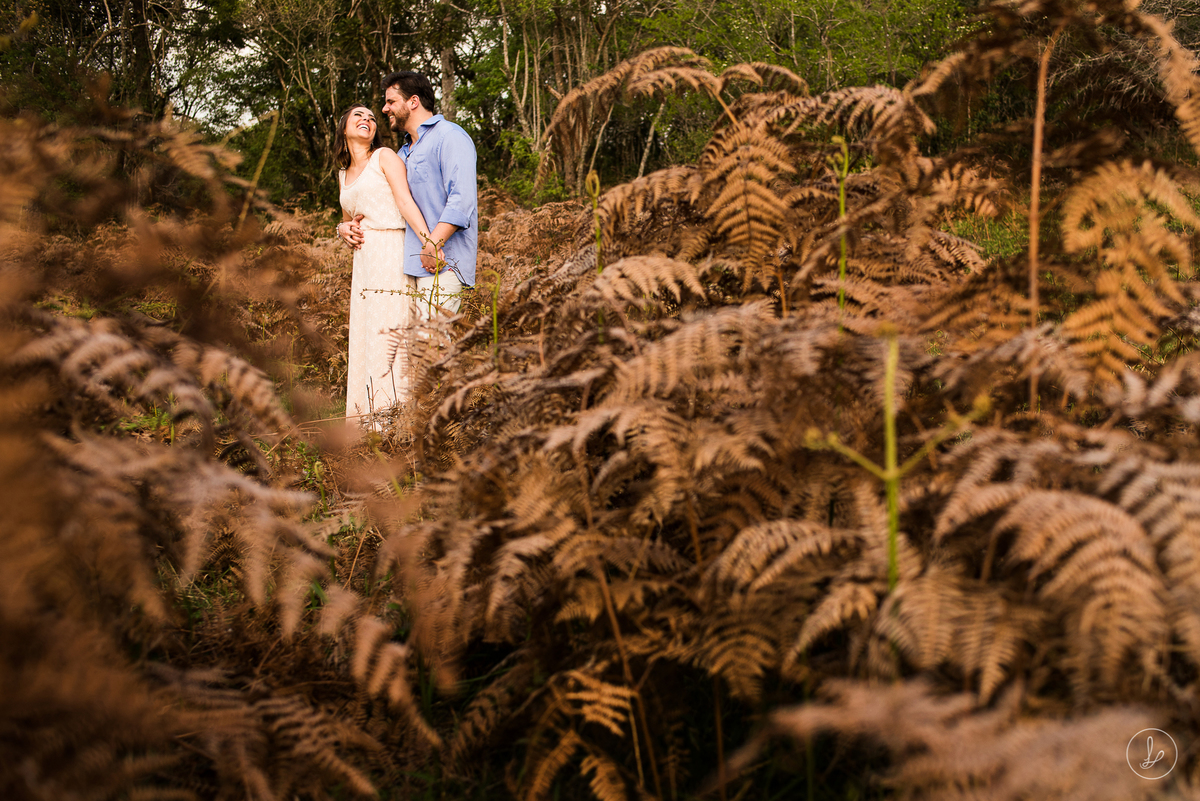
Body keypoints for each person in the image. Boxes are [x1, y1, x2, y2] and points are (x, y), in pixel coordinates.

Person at [333, 103, 437, 428]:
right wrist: (341, 229)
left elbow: (405, 201)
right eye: (358, 116)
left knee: (390, 335)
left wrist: (429, 241)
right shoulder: (342, 174)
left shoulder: (385, 157)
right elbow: (349, 219)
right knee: (366, 336)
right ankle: (365, 426)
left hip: (392, 251)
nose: (367, 120)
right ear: (344, 128)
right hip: (363, 264)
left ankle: (394, 424)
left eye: (371, 118)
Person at [342, 71, 478, 317]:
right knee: (412, 350)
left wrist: (432, 244)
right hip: (407, 265)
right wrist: (343, 227)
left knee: (430, 344)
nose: (385, 109)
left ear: (413, 102)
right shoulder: (402, 153)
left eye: (391, 102)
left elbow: (462, 200)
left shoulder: (450, 136)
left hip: (444, 262)